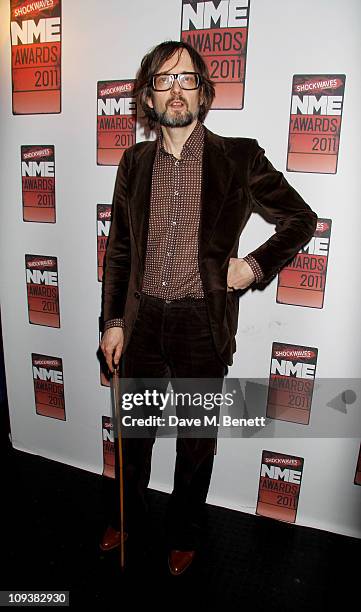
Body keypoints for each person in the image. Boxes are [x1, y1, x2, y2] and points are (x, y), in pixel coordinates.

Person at [99, 40, 318, 575]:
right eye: (164, 80)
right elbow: (121, 248)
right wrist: (114, 322)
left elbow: (301, 219)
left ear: (204, 92)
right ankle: (127, 518)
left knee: (196, 444)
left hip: (203, 324)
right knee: (135, 435)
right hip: (143, 321)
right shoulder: (133, 161)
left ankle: (186, 531)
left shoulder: (239, 156)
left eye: (188, 79)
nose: (177, 90)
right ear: (148, 98)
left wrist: (254, 266)